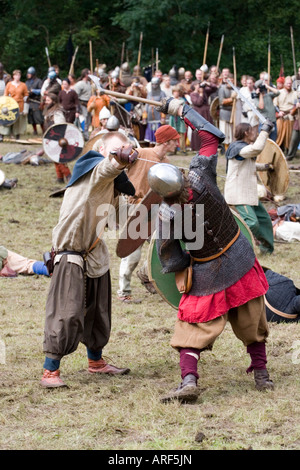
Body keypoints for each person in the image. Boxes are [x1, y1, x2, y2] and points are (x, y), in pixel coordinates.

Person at [151, 96, 274, 403]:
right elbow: (212, 136)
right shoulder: (200, 175)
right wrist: (181, 110)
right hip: (240, 257)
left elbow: (169, 255)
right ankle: (261, 374)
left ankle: (189, 379)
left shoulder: (167, 215)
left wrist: (183, 268)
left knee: (191, 327)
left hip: (206, 271)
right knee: (252, 320)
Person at [40, 131, 138, 388]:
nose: (120, 153)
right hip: (70, 254)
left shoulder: (112, 185)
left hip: (94, 253)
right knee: (66, 313)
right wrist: (120, 159)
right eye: (115, 149)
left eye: (124, 148)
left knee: (98, 312)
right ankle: (50, 371)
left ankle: (96, 362)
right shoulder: (94, 169)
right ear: (101, 149)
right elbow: (108, 167)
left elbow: (120, 219)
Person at [117, 125, 179, 303]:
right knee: (132, 253)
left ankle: (145, 274)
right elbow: (116, 163)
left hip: (154, 210)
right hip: (131, 207)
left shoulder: (167, 163)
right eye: (175, 141)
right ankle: (124, 292)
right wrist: (123, 154)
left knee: (163, 247)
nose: (177, 144)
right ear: (166, 142)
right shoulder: (140, 153)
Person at [224, 122, 274, 255]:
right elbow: (256, 149)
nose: (255, 133)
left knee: (264, 220)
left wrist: (265, 167)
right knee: (251, 223)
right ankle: (235, 249)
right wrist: (265, 131)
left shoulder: (243, 149)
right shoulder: (238, 148)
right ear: (246, 133)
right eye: (253, 131)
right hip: (239, 194)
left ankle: (266, 249)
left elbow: (248, 165)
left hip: (247, 194)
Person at [43, 92, 71, 184]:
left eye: (48, 100)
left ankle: (69, 176)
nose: (46, 102)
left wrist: (58, 137)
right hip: (51, 138)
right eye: (46, 100)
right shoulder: (50, 110)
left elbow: (60, 126)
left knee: (58, 158)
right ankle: (60, 178)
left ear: (54, 101)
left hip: (58, 138)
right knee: (54, 157)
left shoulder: (57, 112)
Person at [190, 79, 218, 151]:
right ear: (194, 86)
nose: (199, 86)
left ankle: (208, 145)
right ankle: (198, 147)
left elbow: (215, 88)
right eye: (197, 85)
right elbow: (198, 103)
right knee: (199, 130)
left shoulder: (205, 91)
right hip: (198, 113)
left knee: (208, 129)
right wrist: (201, 94)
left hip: (206, 113)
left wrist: (207, 83)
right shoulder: (193, 94)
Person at [273, 76, 297, 153]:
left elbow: (296, 104)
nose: (289, 85)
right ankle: (277, 151)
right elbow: (275, 105)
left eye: (290, 83)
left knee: (289, 136)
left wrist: (294, 110)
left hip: (291, 115)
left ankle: (288, 151)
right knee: (279, 134)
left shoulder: (295, 93)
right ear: (284, 84)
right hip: (281, 115)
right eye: (287, 83)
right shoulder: (279, 92)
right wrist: (278, 112)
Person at [3, 70, 29, 140]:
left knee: (18, 121)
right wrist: (6, 102)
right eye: (16, 75)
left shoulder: (23, 85)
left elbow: (26, 95)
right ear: (13, 76)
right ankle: (8, 134)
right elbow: (5, 94)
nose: (18, 77)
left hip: (20, 104)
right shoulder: (9, 84)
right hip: (11, 104)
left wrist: (25, 104)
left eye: (19, 75)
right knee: (9, 119)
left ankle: (17, 135)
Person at [144, 77, 166, 144]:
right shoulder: (150, 93)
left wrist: (163, 117)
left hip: (158, 116)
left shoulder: (162, 93)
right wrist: (144, 117)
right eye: (153, 84)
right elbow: (147, 105)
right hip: (150, 118)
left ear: (158, 84)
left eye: (156, 84)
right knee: (151, 133)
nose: (154, 86)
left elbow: (164, 106)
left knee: (159, 133)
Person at [73, 68, 92, 140]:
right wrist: (77, 108)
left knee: (88, 120)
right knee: (84, 120)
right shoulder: (80, 84)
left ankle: (86, 135)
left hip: (89, 104)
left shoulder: (89, 83)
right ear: (86, 75)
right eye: (89, 73)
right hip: (82, 104)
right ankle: (85, 136)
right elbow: (75, 97)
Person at [25, 66, 44, 135]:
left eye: (29, 73)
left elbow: (42, 90)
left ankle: (43, 130)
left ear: (32, 74)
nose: (28, 75)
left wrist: (33, 91)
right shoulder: (27, 82)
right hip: (29, 101)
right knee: (31, 118)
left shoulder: (38, 81)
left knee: (39, 118)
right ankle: (35, 130)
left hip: (36, 101)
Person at [218, 76, 236, 150]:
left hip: (233, 113)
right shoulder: (222, 89)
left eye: (232, 81)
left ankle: (232, 147)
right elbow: (222, 101)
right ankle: (226, 148)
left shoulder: (235, 89)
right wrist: (232, 99)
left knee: (232, 133)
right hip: (224, 112)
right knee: (225, 132)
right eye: (229, 81)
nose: (230, 83)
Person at [169, 86, 187, 154]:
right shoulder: (170, 100)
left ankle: (182, 149)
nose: (176, 93)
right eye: (175, 92)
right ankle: (173, 149)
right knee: (173, 134)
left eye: (177, 92)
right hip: (173, 118)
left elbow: (184, 109)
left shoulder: (182, 100)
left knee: (181, 134)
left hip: (180, 118)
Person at [286, 88, 300, 161]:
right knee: (294, 140)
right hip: (298, 122)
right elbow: (292, 113)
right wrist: (296, 107)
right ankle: (290, 156)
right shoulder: (297, 100)